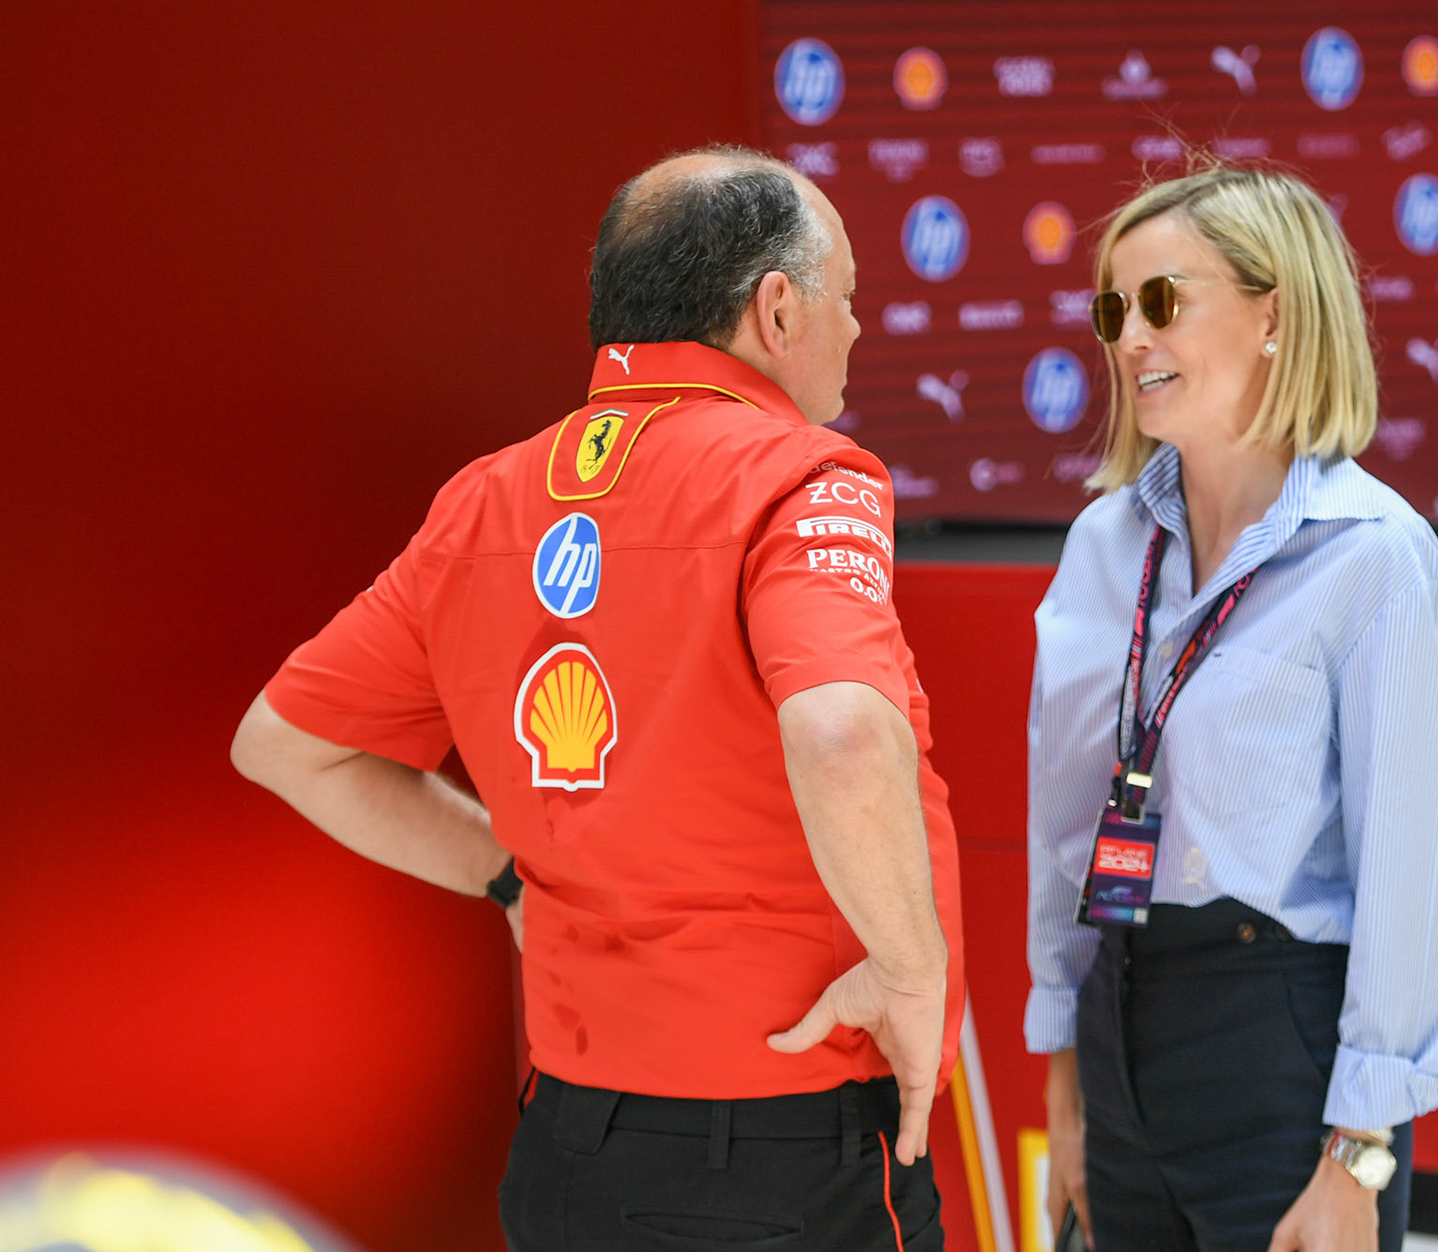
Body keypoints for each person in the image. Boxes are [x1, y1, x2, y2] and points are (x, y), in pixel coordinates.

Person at [231, 147, 961, 1252]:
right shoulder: (807, 475)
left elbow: (283, 742)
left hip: (569, 1146)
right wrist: (913, 975)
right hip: (784, 1145)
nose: (856, 331)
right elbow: (842, 726)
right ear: (775, 310)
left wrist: (503, 874)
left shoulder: (486, 498)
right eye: (847, 299)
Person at [1026, 166, 1438, 1252]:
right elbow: (1065, 840)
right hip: (1119, 1028)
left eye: (1163, 301)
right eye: (1113, 310)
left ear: (1274, 315)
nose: (1131, 337)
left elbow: (1410, 883)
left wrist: (1356, 1158)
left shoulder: (1376, 557)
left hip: (1282, 1051)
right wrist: (1068, 1094)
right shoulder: (1102, 545)